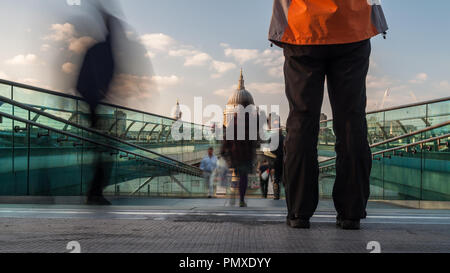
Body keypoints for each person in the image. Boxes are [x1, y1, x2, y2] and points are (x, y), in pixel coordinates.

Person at [269, 0, 388, 229]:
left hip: (302, 27)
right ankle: (351, 213)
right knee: (351, 119)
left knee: (302, 119)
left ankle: (298, 212)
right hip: (353, 26)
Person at [77, 8, 120, 206]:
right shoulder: (104, 50)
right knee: (105, 147)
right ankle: (95, 192)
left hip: (93, 103)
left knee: (101, 147)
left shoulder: (99, 49)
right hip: (93, 104)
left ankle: (94, 192)